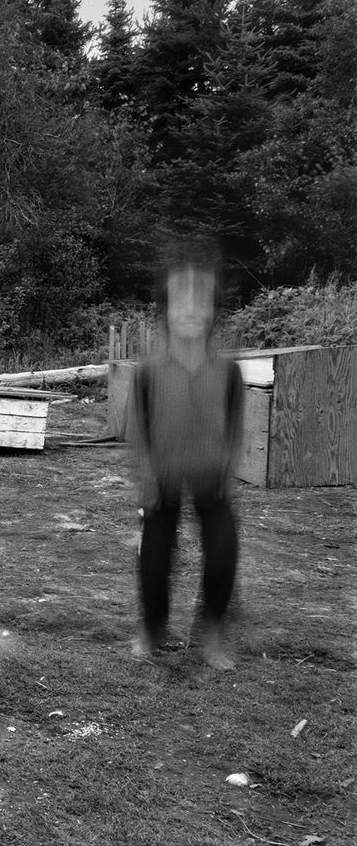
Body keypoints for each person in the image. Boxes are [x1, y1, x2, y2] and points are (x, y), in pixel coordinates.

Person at [128, 237, 244, 669]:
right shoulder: (149, 372)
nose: (191, 311)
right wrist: (146, 476)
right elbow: (137, 426)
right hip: (163, 478)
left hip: (210, 478)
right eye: (182, 301)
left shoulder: (227, 370)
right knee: (156, 556)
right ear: (168, 311)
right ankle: (152, 628)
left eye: (201, 302)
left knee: (223, 552)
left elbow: (235, 424)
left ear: (213, 311)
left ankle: (211, 632)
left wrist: (228, 468)